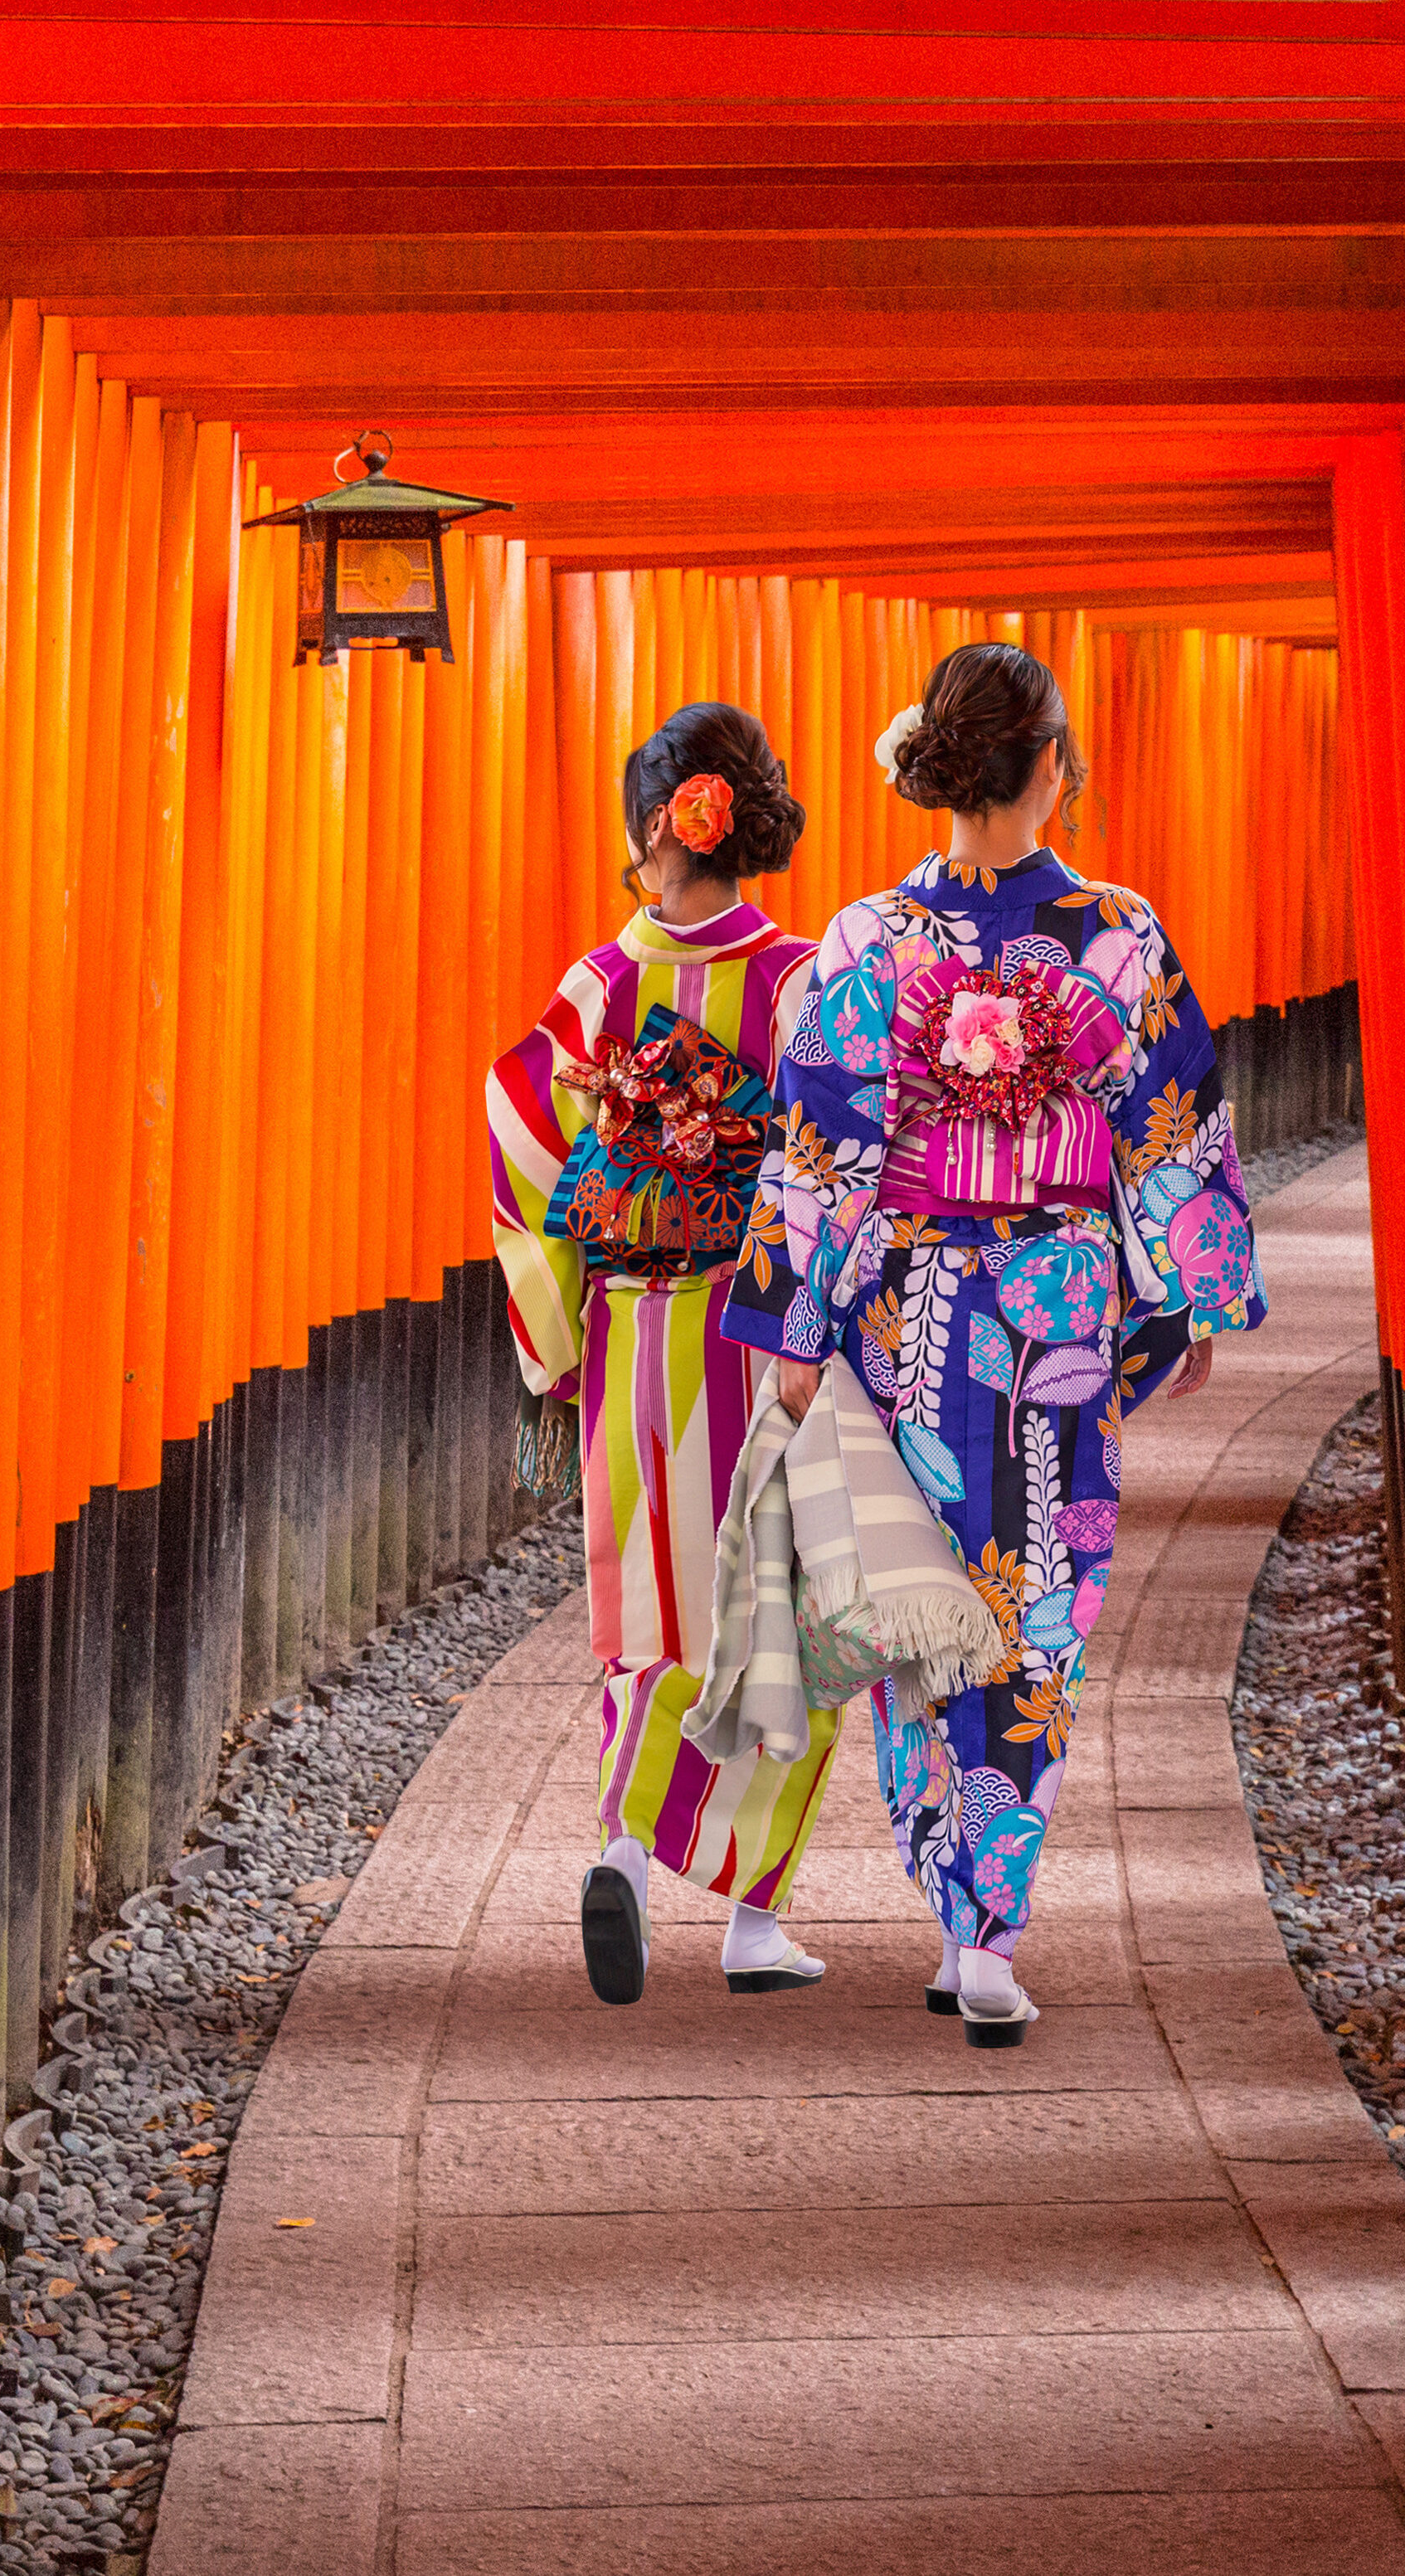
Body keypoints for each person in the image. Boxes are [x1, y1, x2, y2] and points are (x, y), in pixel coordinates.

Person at [722, 642, 1268, 2045]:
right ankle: (986, 1929)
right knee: (1036, 1609)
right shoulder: (1116, 935)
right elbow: (1170, 1123)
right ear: (1050, 772)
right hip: (1058, 1306)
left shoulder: (863, 943)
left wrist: (797, 1322)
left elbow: (819, 1146)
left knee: (927, 1605)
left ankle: (950, 1889)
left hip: (909, 1310)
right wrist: (1194, 1290)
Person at [485, 702, 843, 2005]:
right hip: (766, 1332)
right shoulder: (802, 978)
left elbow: (524, 1137)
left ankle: (626, 1850)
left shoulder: (595, 986)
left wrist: (554, 1323)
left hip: (634, 1327)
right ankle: (753, 1919)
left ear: (658, 828)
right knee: (783, 1607)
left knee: (651, 1596)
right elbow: (829, 1162)